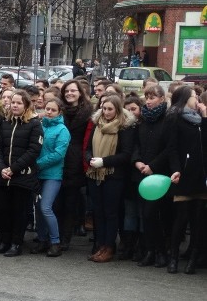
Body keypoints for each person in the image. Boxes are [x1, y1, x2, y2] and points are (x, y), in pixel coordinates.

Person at [83, 95, 137, 263]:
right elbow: (87, 148)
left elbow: (126, 155)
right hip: (95, 174)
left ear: (117, 110)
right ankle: (100, 245)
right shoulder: (97, 123)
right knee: (98, 212)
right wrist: (90, 158)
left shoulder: (124, 127)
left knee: (111, 213)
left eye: (110, 109)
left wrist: (104, 162)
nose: (106, 112)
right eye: (104, 108)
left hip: (114, 176)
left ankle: (109, 246)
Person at [0, 90, 43, 256]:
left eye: (19, 103)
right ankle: (3, 241)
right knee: (1, 210)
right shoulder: (4, 121)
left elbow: (34, 150)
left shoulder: (34, 124)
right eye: (13, 102)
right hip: (3, 175)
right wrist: (1, 168)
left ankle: (16, 243)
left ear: (26, 105)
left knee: (18, 211)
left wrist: (13, 169)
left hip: (22, 176)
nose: (14, 105)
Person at [167, 86, 207, 273]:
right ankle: (173, 256)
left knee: (197, 220)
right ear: (185, 99)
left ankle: (193, 258)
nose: (196, 99)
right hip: (184, 174)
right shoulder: (176, 118)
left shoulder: (200, 120)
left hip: (201, 176)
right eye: (193, 96)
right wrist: (176, 169)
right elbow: (172, 148)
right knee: (180, 218)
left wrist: (205, 118)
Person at [132, 85, 174, 267]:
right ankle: (150, 250)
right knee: (146, 215)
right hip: (142, 173)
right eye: (147, 97)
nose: (148, 101)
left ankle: (162, 252)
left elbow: (170, 148)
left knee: (159, 214)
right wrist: (138, 161)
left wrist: (153, 166)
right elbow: (136, 145)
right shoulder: (142, 120)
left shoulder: (168, 119)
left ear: (162, 99)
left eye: (153, 97)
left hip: (161, 175)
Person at [56, 79, 94, 250]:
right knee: (57, 201)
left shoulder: (88, 112)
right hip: (58, 158)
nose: (69, 94)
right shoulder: (58, 110)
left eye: (73, 91)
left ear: (80, 93)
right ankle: (55, 235)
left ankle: (66, 237)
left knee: (70, 201)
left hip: (77, 159)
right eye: (66, 91)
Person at [31, 97, 70, 257]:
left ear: (59, 112)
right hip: (37, 173)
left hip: (52, 174)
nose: (49, 112)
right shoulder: (40, 125)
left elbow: (59, 154)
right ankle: (42, 239)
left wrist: (37, 163)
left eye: (53, 110)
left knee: (46, 207)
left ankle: (55, 242)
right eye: (47, 109)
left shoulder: (62, 130)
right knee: (38, 208)